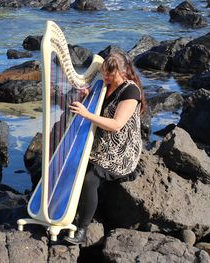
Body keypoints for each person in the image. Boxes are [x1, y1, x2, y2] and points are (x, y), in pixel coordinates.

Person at [65, 50, 146, 245]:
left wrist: (86, 114)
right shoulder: (103, 85)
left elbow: (117, 124)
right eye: (104, 73)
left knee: (89, 179)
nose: (105, 77)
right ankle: (64, 211)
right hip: (101, 142)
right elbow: (90, 107)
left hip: (120, 150)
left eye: (110, 74)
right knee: (72, 165)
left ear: (122, 71)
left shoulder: (130, 91)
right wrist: (84, 96)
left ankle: (82, 229)